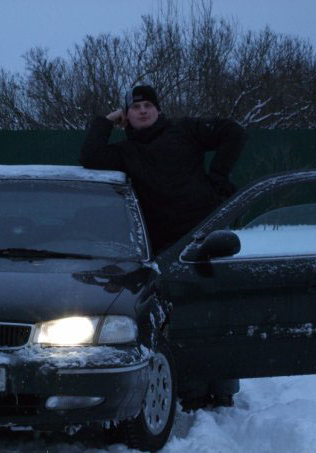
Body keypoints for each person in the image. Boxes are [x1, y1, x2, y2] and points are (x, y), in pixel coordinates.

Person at [79, 85, 247, 410]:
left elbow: (234, 132)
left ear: (158, 110)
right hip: (165, 247)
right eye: (135, 107)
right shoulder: (125, 152)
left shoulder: (185, 131)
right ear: (127, 116)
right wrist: (106, 120)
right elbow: (89, 156)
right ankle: (192, 390)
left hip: (206, 236)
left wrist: (217, 176)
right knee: (178, 317)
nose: (143, 110)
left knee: (216, 312)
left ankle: (223, 388)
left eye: (148, 105)